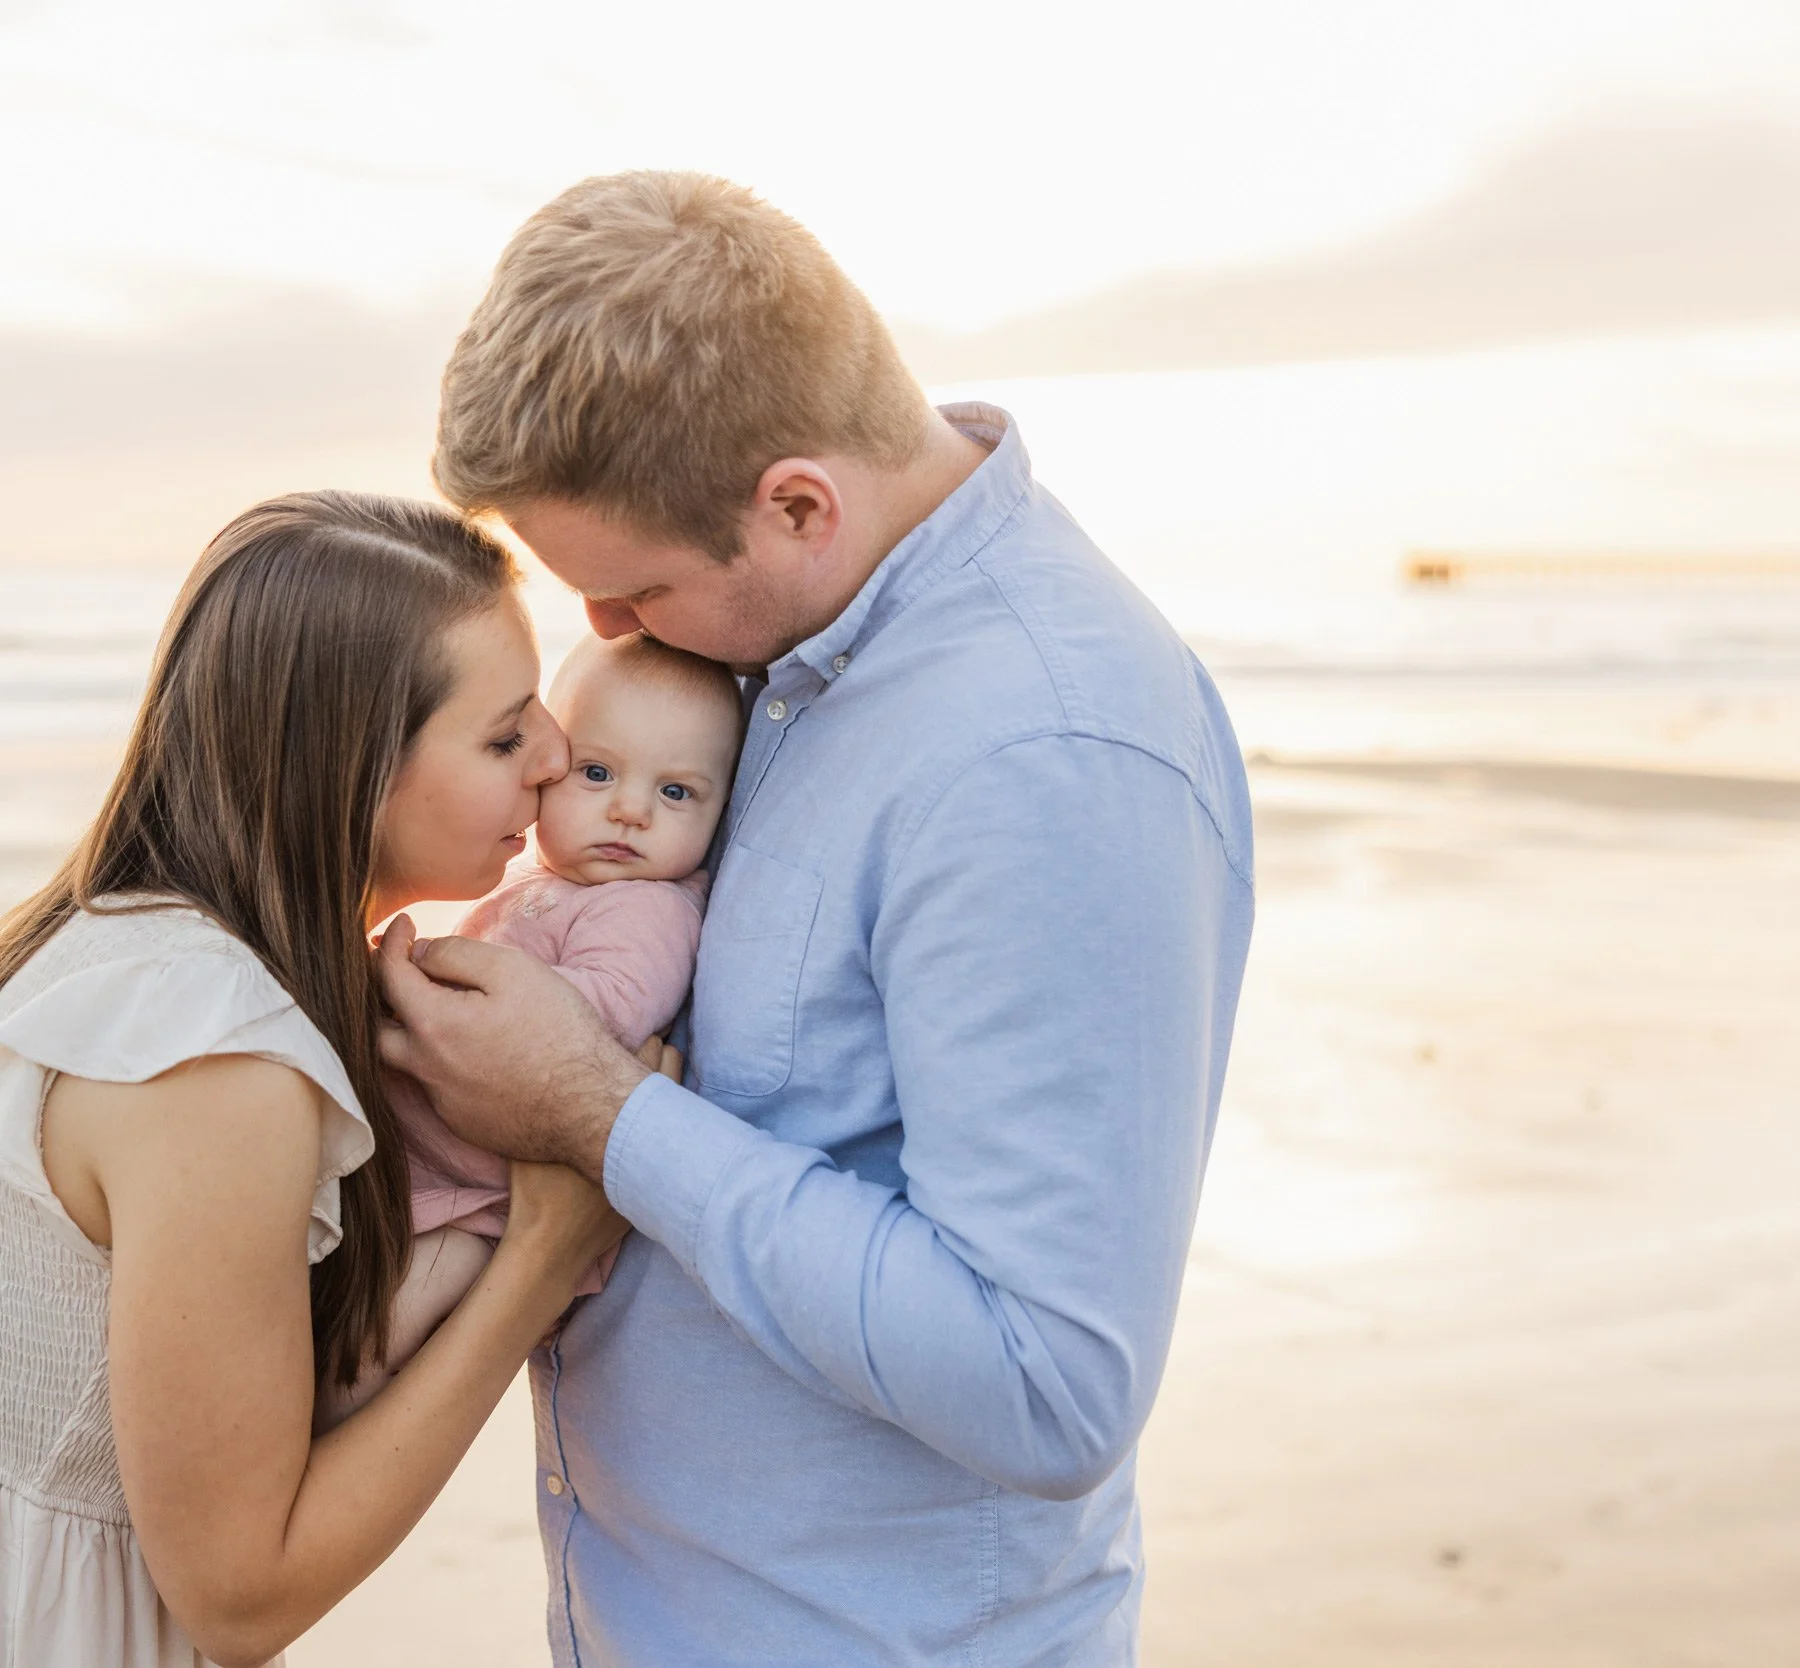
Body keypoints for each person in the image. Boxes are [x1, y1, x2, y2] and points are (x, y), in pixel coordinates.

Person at [379, 172, 1258, 1664]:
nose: (606, 633)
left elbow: (1047, 1383)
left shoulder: (1043, 748)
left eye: (634, 587)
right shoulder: (788, 652)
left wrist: (598, 1115)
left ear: (797, 504)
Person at [0, 492, 626, 1668]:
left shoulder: (120, 941)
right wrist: (542, 1259)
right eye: (504, 738)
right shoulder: (210, 1057)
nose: (556, 758)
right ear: (347, 769)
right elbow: (238, 1595)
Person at [322, 631, 741, 1427]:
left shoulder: (652, 909)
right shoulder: (537, 879)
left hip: (488, 1203)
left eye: (676, 792)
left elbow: (605, 1010)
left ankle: (328, 1422)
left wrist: (423, 984)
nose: (630, 811)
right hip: (427, 1153)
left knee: (388, 1325)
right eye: (597, 773)